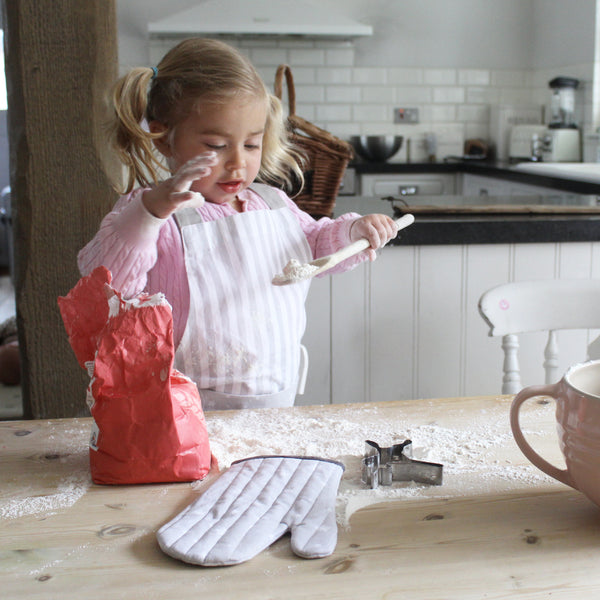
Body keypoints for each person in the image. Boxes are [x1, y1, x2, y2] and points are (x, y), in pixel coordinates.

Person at [78, 38, 398, 410]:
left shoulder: (272, 203)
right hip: (184, 409)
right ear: (164, 138)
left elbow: (314, 247)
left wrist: (353, 233)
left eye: (251, 145)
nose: (237, 164)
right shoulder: (154, 215)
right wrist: (150, 212)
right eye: (215, 145)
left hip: (277, 394)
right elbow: (108, 284)